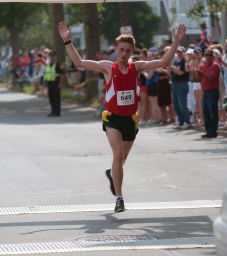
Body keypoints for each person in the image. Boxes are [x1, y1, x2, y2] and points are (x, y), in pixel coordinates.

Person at [58, 21, 186, 212]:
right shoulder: (107, 67)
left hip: (130, 120)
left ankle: (112, 173)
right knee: (117, 154)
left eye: (127, 50)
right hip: (112, 118)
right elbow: (79, 63)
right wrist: (67, 41)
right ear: (116, 50)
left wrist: (175, 42)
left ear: (132, 51)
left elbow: (163, 62)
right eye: (121, 50)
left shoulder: (137, 67)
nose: (124, 54)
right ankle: (119, 198)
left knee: (121, 160)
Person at [192, 48, 220, 138]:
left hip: (213, 90)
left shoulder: (215, 65)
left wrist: (201, 73)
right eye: (206, 55)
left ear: (213, 56)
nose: (208, 57)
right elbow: (198, 79)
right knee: (206, 111)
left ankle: (213, 131)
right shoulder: (202, 66)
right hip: (205, 91)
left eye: (210, 55)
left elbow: (212, 78)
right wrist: (194, 71)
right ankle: (208, 131)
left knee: (213, 111)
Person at [44, 51, 64, 117]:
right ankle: (53, 111)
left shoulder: (58, 65)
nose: (51, 58)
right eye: (50, 56)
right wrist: (45, 83)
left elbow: (62, 75)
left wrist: (60, 83)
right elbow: (47, 74)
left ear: (55, 57)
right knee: (51, 98)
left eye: (53, 56)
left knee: (56, 99)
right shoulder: (48, 65)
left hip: (56, 83)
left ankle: (57, 112)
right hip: (50, 83)